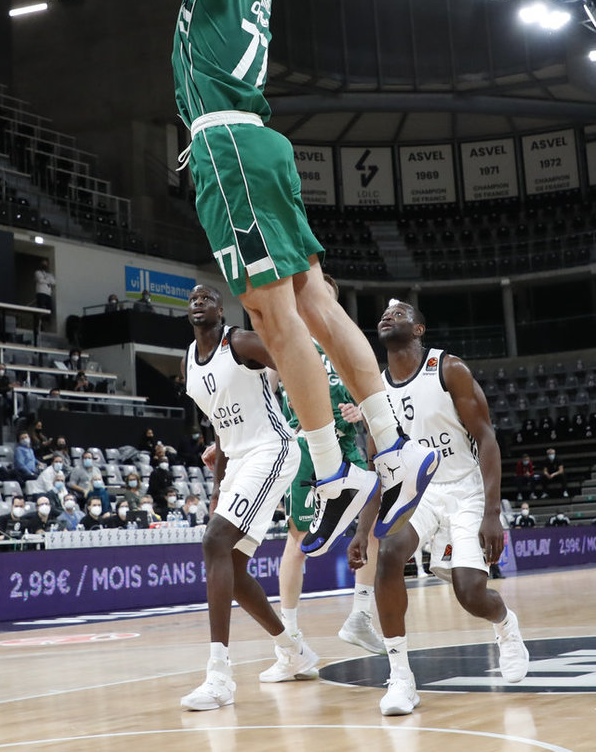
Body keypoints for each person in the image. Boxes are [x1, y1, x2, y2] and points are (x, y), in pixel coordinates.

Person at [171, 0, 439, 556]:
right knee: (316, 299)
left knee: (269, 310)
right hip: (261, 147)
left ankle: (331, 472)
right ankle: (394, 445)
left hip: (230, 150)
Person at [348, 300, 529, 716]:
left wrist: (491, 512)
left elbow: (485, 438)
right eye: (384, 315)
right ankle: (401, 678)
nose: (388, 316)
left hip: (464, 489)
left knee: (470, 594)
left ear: (419, 330)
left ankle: (505, 625)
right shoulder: (374, 392)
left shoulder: (449, 369)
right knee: (390, 553)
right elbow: (381, 466)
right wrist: (363, 528)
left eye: (400, 314)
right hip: (419, 493)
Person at [179, 284, 317, 712]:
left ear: (221, 310)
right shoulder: (189, 358)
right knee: (233, 568)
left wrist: (315, 419)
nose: (198, 301)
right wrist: (218, 486)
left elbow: (296, 364)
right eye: (192, 299)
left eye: (206, 297)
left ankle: (219, 676)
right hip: (236, 458)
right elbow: (220, 426)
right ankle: (293, 651)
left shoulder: (238, 341)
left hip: (272, 448)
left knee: (213, 543)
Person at [261, 274, 384, 682]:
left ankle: (361, 614)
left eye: (324, 298)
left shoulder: (344, 345)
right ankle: (291, 640)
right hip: (305, 450)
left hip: (347, 444)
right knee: (297, 543)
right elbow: (264, 398)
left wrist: (361, 412)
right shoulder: (285, 342)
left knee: (373, 524)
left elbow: (374, 399)